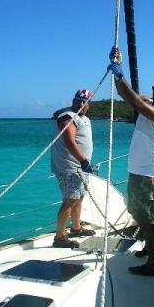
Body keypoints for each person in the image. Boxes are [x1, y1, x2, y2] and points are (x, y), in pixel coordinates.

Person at [108, 48, 154, 276]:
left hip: (149, 176)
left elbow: (137, 105)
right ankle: (148, 248)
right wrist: (118, 64)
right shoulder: (150, 103)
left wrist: (120, 76)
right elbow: (129, 96)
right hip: (138, 172)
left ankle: (153, 265)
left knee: (147, 220)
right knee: (138, 214)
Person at [51, 89, 96, 248]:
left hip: (80, 167)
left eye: (83, 101)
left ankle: (76, 228)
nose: (80, 103)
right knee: (69, 200)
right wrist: (83, 160)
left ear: (88, 104)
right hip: (70, 166)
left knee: (79, 197)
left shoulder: (83, 118)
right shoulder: (68, 117)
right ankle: (60, 237)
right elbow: (69, 140)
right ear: (73, 100)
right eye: (77, 100)